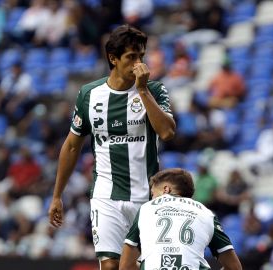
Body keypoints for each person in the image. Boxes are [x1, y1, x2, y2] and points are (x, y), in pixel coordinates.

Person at [48, 25, 176, 270]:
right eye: (131, 57)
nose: (138, 63)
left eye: (141, 56)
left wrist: (142, 90)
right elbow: (72, 146)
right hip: (106, 196)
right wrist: (57, 196)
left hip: (146, 197)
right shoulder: (89, 94)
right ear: (113, 59)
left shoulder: (154, 90)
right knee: (109, 266)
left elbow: (167, 132)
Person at [119, 168, 242, 270]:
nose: (152, 198)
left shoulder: (147, 208)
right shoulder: (206, 213)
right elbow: (234, 267)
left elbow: (125, 266)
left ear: (166, 190)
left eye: (152, 194)